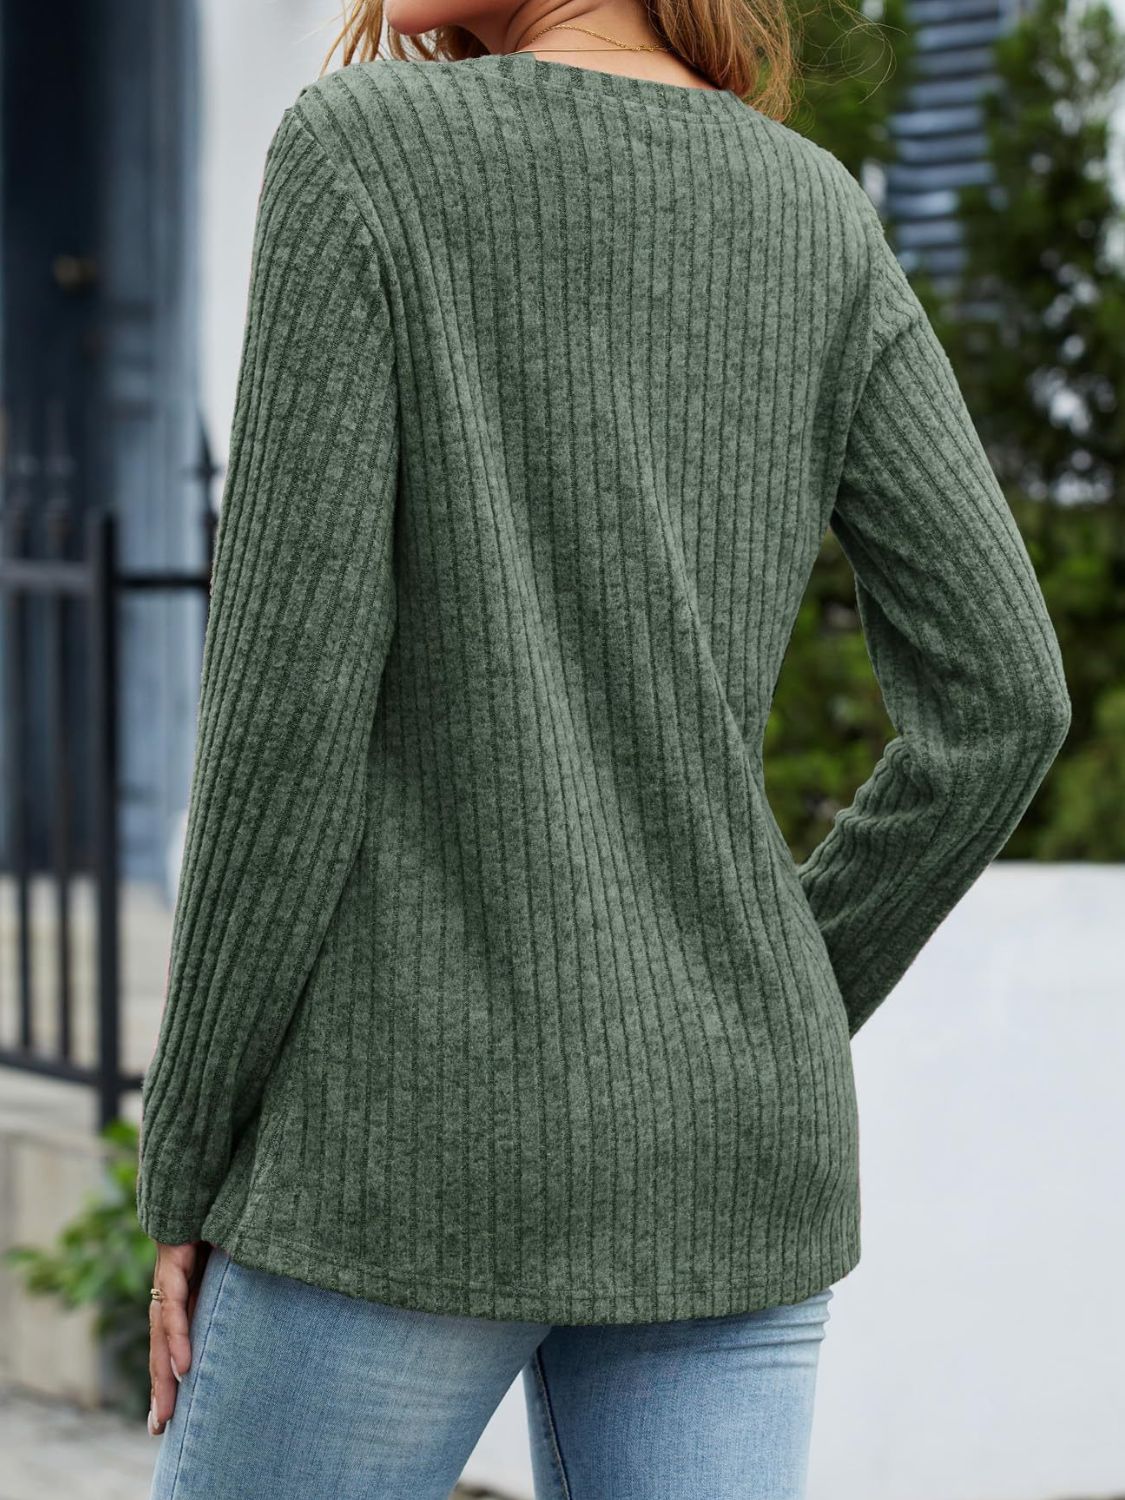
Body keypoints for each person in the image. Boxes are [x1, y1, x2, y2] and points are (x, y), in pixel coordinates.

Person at [137, 0, 1072, 1495]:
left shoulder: (364, 153)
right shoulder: (815, 210)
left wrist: (182, 1163)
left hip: (411, 1144)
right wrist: (753, 1016)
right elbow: (1006, 701)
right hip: (728, 1158)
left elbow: (284, 726)